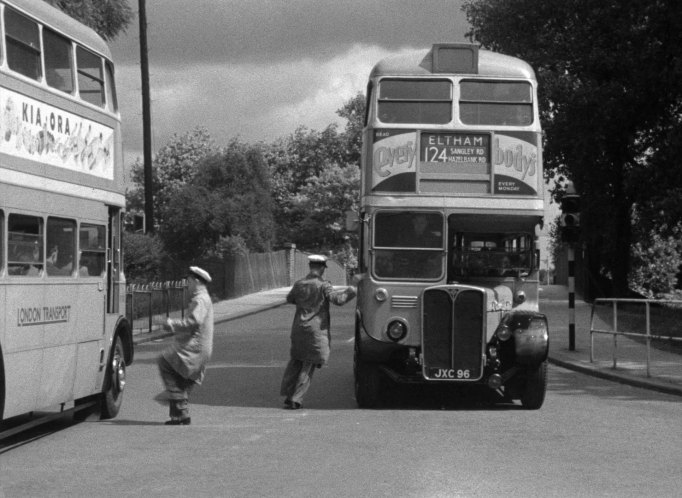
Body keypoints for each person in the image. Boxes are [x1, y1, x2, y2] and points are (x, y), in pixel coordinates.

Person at [280, 254, 358, 409]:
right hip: (315, 330)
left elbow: (290, 299)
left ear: (310, 266)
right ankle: (297, 398)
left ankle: (288, 396)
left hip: (298, 329)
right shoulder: (324, 285)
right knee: (309, 364)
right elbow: (339, 300)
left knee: (296, 361)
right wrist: (353, 288)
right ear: (322, 268)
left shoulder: (299, 284)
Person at [157, 266, 214, 425]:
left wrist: (172, 324)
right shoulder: (202, 298)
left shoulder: (200, 299)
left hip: (195, 349)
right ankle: (180, 415)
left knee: (165, 362)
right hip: (198, 348)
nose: (187, 285)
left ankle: (178, 404)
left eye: (188, 281)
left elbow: (192, 322)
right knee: (180, 378)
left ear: (196, 281)